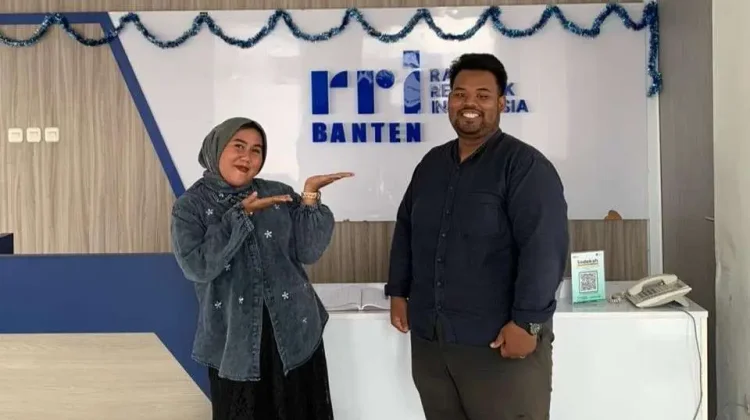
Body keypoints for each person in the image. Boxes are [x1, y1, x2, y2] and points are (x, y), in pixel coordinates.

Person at [385, 53, 569, 420]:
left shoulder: (525, 166)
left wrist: (528, 323)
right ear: (449, 101)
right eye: (459, 94)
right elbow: (406, 228)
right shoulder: (431, 165)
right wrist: (398, 292)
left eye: (483, 95)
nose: (469, 103)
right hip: (433, 344)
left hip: (499, 345)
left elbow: (544, 249)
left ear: (501, 103)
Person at [170, 117, 353, 420]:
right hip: (235, 342)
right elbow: (197, 267)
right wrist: (239, 216)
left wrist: (309, 197)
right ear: (217, 148)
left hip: (294, 334)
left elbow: (308, 251)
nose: (247, 157)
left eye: (256, 150)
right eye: (238, 146)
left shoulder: (276, 193)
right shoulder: (190, 206)